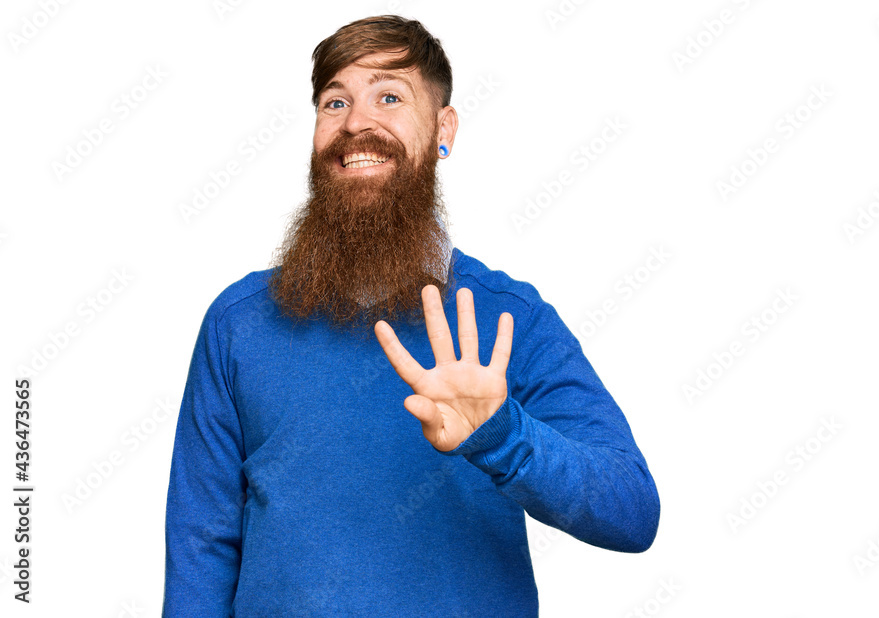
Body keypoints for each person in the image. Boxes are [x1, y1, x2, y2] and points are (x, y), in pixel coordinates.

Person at [162, 14, 659, 617]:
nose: (356, 124)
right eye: (334, 102)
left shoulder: (508, 319)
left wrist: (504, 437)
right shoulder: (238, 323)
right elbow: (201, 547)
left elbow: (632, 512)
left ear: (444, 129)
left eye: (389, 96)